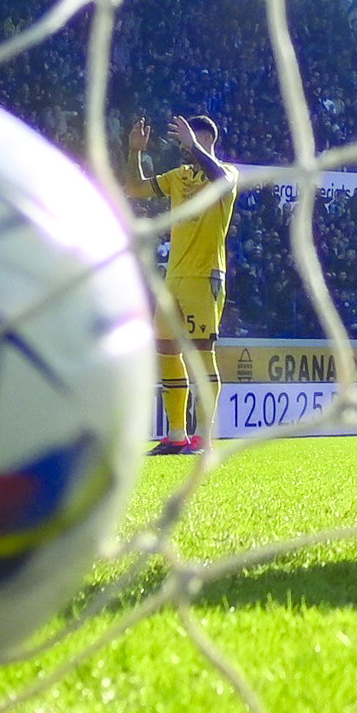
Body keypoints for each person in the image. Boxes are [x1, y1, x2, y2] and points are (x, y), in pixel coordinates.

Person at [123, 114, 234, 458]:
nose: (186, 148)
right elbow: (135, 188)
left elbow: (222, 180)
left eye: (194, 141)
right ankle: (176, 435)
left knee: (201, 351)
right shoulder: (179, 176)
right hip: (174, 277)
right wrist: (134, 152)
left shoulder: (225, 173)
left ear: (208, 142)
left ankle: (204, 437)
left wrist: (195, 147)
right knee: (166, 349)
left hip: (205, 275)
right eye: (185, 142)